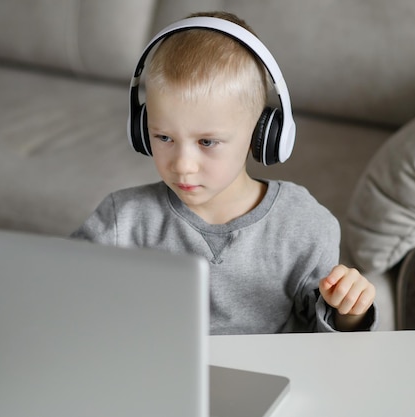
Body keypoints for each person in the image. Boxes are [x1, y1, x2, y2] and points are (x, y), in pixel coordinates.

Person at [71, 11, 377, 334]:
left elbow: (327, 345)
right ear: (141, 130)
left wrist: (350, 312)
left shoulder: (303, 225)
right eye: (164, 137)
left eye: (207, 142)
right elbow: (56, 287)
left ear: (261, 136)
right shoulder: (125, 220)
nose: (182, 164)